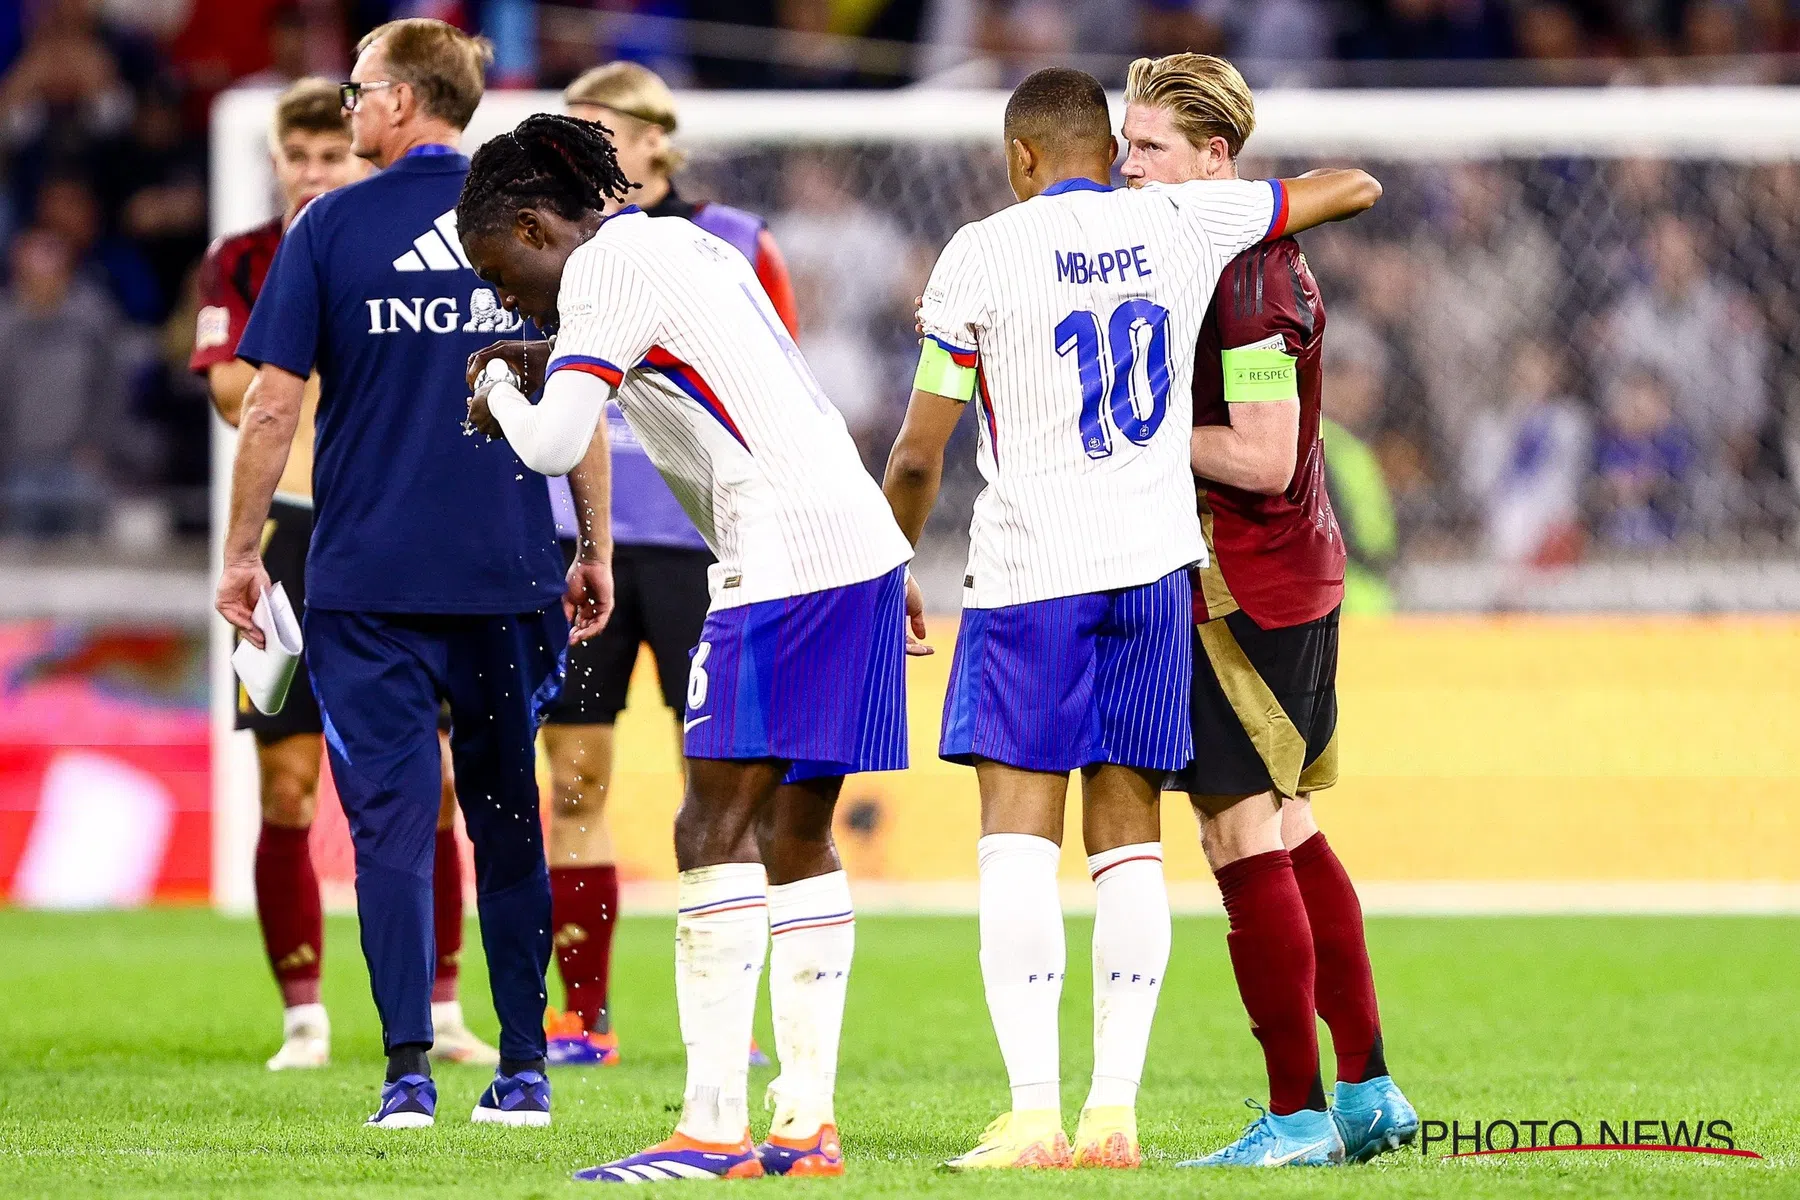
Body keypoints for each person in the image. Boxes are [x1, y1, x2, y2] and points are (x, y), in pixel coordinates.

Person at [882, 66, 1379, 1171]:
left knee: (1017, 838)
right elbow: (1344, 188)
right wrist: (1249, 199)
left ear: (1020, 160)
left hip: (1030, 578)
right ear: (1106, 150)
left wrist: (882, 567)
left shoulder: (979, 250)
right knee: (1131, 849)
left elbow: (921, 449)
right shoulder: (1179, 223)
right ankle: (1114, 1119)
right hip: (1156, 577)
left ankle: (1032, 1116)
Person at [456, 112, 914, 1181]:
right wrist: (543, 352)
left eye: (502, 270)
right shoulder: (684, 241)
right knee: (799, 837)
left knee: (712, 825)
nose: (506, 296)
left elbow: (559, 441)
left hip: (784, 557)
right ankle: (804, 1128)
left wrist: (497, 389)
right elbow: (728, 376)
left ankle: (711, 1128)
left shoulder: (607, 272)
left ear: (532, 223)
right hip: (855, 544)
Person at [215, 20, 608, 1130]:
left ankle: (404, 1078)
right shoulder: (537, 220)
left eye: (355, 90)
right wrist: (594, 544)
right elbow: (582, 393)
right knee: (505, 815)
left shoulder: (331, 224)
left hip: (366, 581)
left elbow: (272, 403)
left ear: (401, 99)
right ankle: (524, 1070)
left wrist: (243, 555)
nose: (345, 109)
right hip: (506, 571)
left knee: (387, 824)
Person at [1118, 51, 1415, 1166]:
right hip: (1270, 570)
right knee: (1289, 825)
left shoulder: (1244, 278)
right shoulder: (1207, 262)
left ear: (1216, 160)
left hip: (1249, 578)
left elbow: (1260, 453)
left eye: (1151, 149)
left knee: (1238, 829)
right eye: (1124, 146)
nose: (1129, 168)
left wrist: (1122, 419)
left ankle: (1296, 1115)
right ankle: (1371, 1090)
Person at [193, 76, 498, 1071]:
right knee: (283, 777)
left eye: (334, 155)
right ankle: (304, 1017)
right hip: (285, 541)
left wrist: (327, 364)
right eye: (302, 156)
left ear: (359, 155)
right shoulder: (241, 261)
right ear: (279, 160)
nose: (317, 170)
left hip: (399, 539)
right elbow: (239, 394)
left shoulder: (373, 242)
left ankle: (444, 1008)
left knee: (438, 782)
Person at [537, 61, 798, 1070]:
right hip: (586, 545)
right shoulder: (558, 248)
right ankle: (583, 1014)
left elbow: (783, 389)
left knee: (729, 786)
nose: (586, 144)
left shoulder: (736, 243)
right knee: (573, 780)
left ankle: (751, 1013)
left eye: (602, 126)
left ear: (654, 138)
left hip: (707, 549)